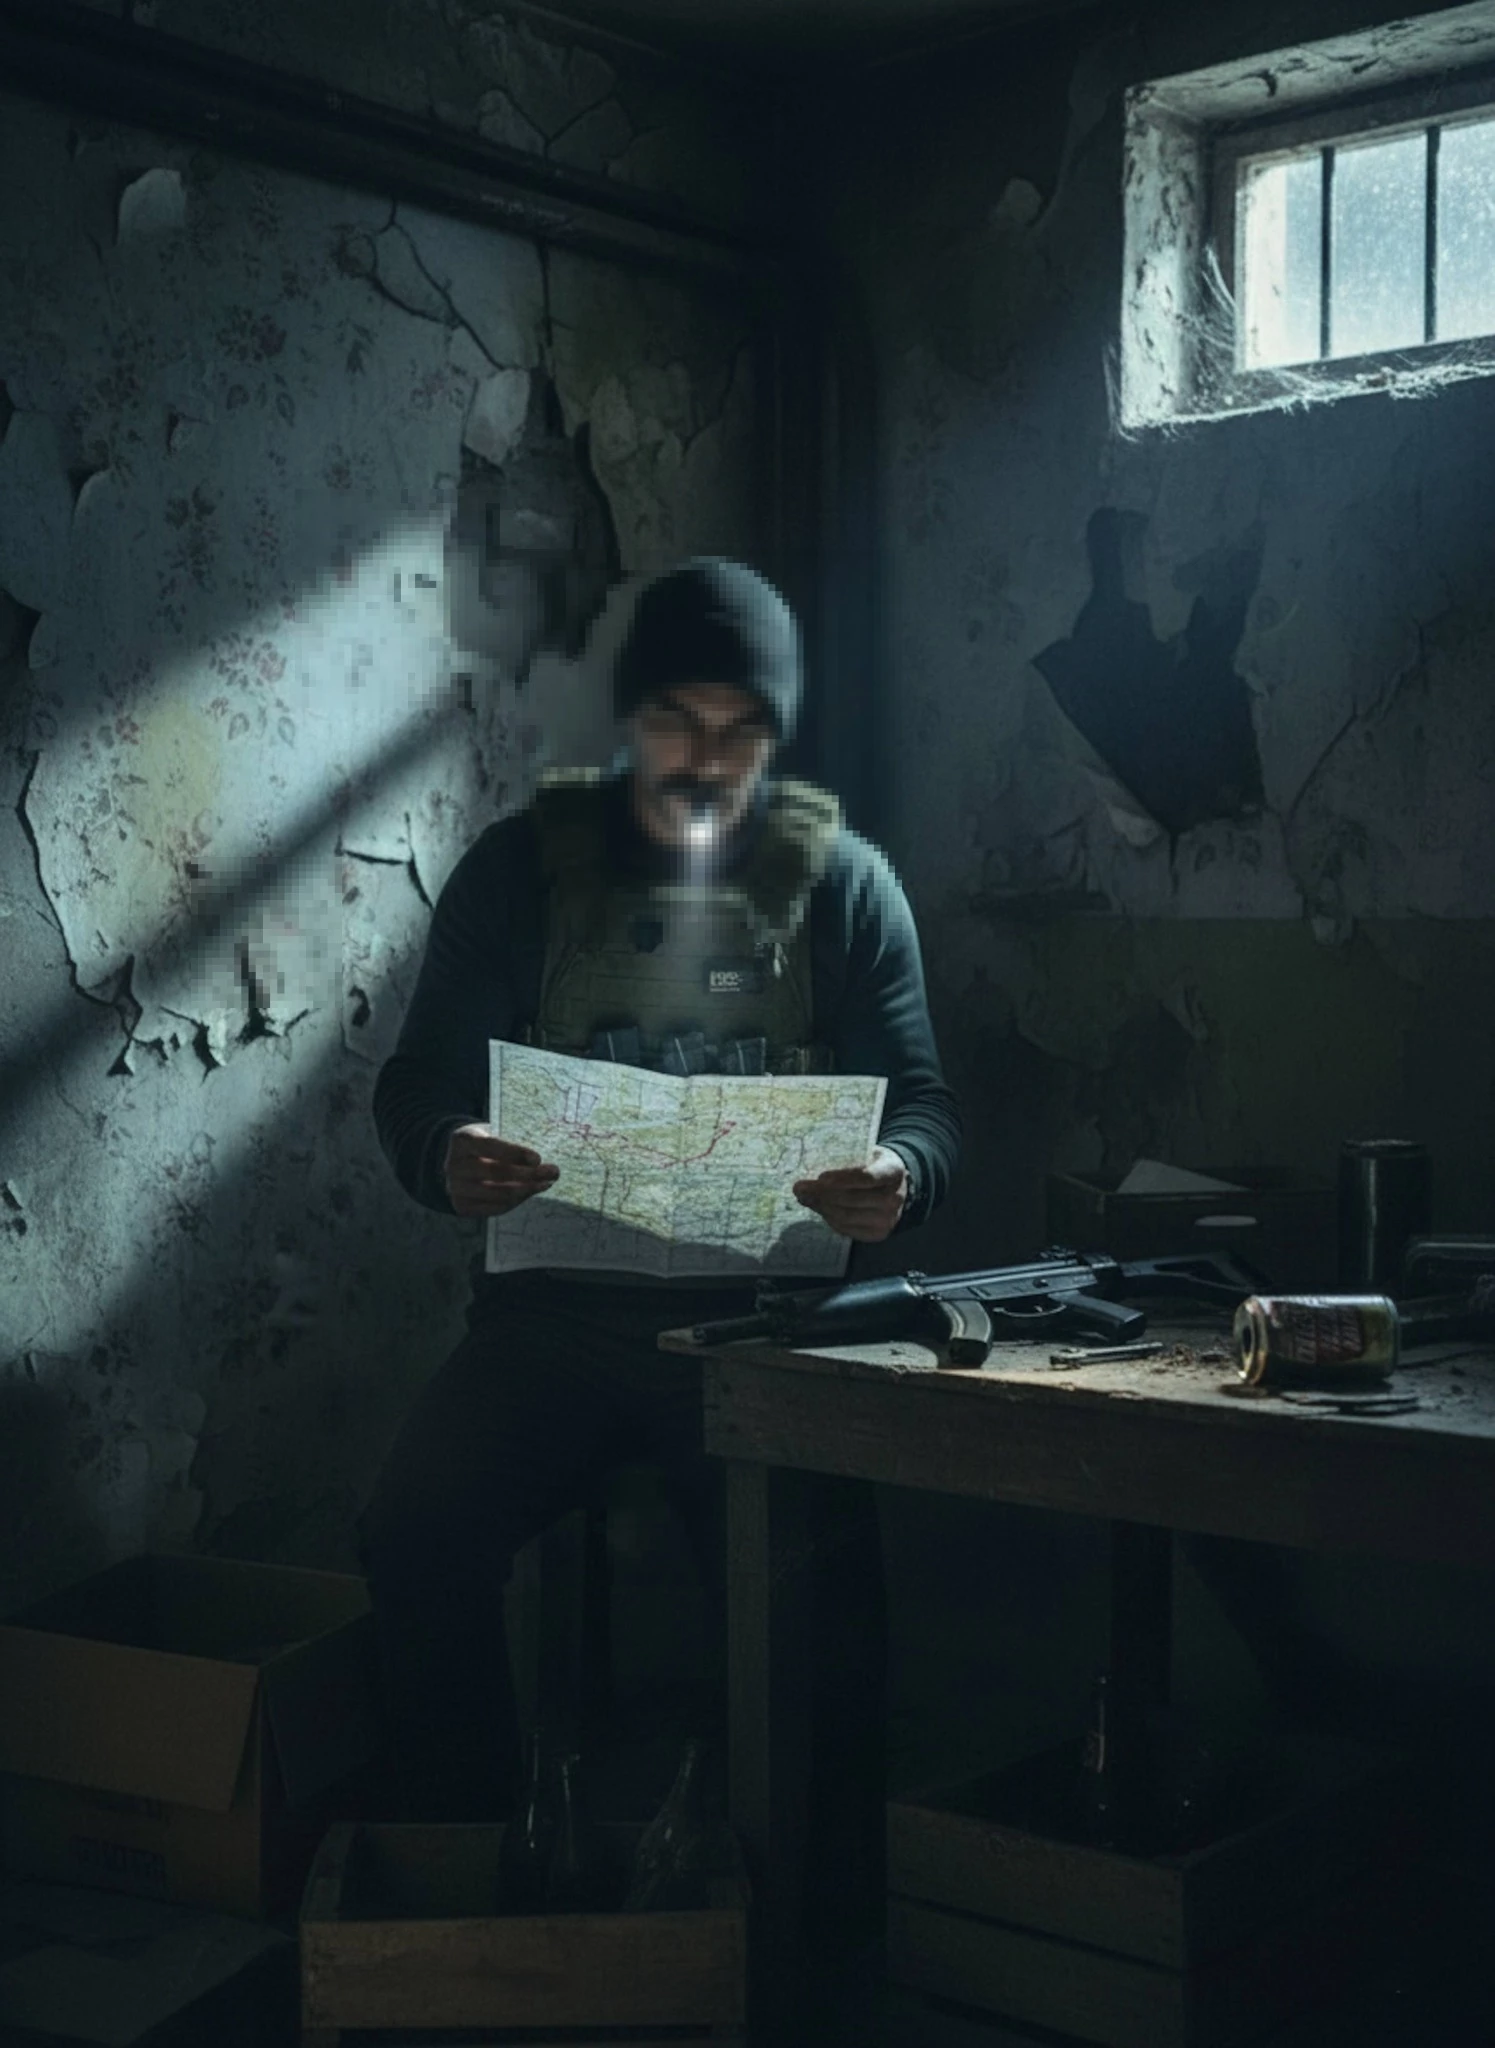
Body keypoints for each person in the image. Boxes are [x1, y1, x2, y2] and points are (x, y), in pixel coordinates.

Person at [361, 556, 961, 1826]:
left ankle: (819, 1901)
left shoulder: (846, 885)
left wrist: (897, 1177)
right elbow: (414, 1082)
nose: (707, 758)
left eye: (742, 732)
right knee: (413, 1530)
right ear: (630, 720)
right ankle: (466, 1861)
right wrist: (451, 1149)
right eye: (678, 722)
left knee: (828, 1597)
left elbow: (925, 1101)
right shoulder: (518, 872)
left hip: (769, 1337)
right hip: (551, 1331)